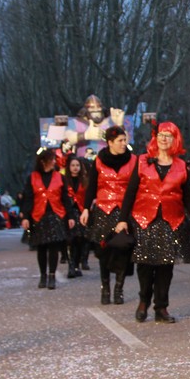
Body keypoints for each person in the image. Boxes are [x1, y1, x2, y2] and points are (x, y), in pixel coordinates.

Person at [115, 122, 190, 324]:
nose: (164, 138)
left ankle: (161, 307)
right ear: (155, 137)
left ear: (175, 139)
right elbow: (131, 192)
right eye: (161, 134)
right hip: (144, 220)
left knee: (165, 267)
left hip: (171, 221)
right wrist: (122, 220)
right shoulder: (142, 161)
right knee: (145, 265)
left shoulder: (182, 166)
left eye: (169, 135)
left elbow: (189, 198)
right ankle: (144, 301)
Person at [81, 125, 136, 306]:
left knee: (123, 249)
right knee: (103, 251)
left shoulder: (133, 160)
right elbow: (92, 186)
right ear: (110, 142)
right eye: (120, 140)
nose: (124, 143)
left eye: (125, 140)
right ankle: (105, 287)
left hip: (124, 211)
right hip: (103, 210)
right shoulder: (98, 161)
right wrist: (86, 208)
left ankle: (119, 288)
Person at [21, 148, 77, 290]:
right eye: (51, 160)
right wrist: (26, 217)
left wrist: (70, 216)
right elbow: (28, 198)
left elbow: (65, 198)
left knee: (53, 247)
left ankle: (52, 275)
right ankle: (43, 275)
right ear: (43, 161)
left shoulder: (60, 177)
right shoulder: (32, 177)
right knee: (41, 247)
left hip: (56, 215)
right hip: (38, 215)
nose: (54, 162)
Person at [63, 157, 89, 278]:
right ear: (69, 167)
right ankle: (71, 265)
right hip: (68, 212)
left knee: (80, 239)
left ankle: (77, 264)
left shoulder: (84, 180)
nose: (75, 168)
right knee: (70, 240)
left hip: (81, 212)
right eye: (73, 165)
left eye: (77, 165)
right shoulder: (64, 181)